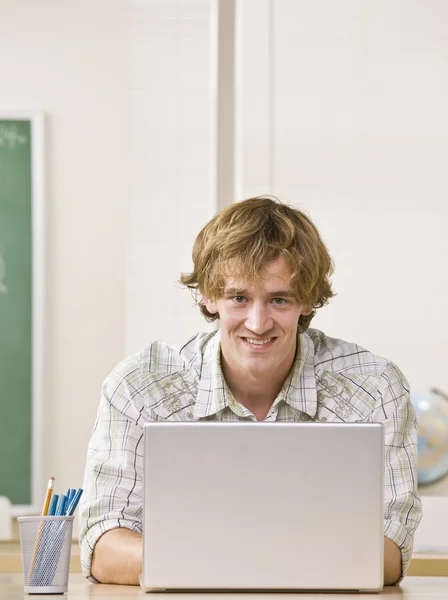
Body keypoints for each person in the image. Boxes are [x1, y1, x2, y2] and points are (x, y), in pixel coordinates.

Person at [79, 196, 422, 586]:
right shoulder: (140, 386)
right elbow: (103, 548)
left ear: (307, 301)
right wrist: (260, 560)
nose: (258, 323)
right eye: (239, 298)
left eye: (279, 299)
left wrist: (211, 559)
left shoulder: (375, 388)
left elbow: (390, 554)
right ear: (208, 295)